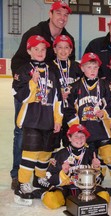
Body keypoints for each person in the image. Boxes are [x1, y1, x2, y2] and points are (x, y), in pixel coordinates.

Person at [10, 1, 74, 190]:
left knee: (48, 135)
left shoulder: (67, 37)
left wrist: (61, 87)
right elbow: (18, 61)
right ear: (51, 13)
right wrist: (27, 82)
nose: (62, 17)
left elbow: (65, 67)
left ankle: (41, 174)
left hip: (50, 93)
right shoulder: (34, 32)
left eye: (66, 14)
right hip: (29, 94)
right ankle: (17, 175)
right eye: (59, 13)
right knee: (23, 133)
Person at [12, 35, 62, 206]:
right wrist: (33, 83)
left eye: (43, 49)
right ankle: (22, 183)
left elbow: (57, 99)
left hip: (48, 119)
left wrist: (58, 119)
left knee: (45, 153)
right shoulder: (22, 71)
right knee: (31, 154)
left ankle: (39, 179)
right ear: (29, 51)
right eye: (36, 49)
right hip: (31, 119)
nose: (40, 52)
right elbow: (23, 97)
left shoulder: (52, 71)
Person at [65, 52, 111, 186]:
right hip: (83, 132)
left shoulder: (106, 85)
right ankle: (94, 180)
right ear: (82, 68)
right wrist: (76, 128)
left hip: (101, 130)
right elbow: (68, 109)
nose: (92, 70)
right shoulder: (74, 87)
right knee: (87, 159)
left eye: (95, 67)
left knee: (109, 155)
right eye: (89, 67)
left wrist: (105, 112)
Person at [41, 124, 111, 209]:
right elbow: (50, 177)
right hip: (66, 189)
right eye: (76, 136)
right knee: (50, 200)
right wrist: (64, 172)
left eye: (82, 136)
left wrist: (95, 168)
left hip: (87, 190)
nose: (79, 139)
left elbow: (99, 180)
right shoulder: (60, 154)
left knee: (104, 197)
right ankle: (44, 193)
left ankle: (81, 201)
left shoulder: (90, 153)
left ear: (86, 138)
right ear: (69, 138)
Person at [50, 35, 83, 149]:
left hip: (72, 112)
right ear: (54, 50)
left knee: (72, 144)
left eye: (66, 47)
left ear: (70, 50)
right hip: (54, 113)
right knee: (52, 145)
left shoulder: (77, 67)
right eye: (60, 47)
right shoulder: (49, 67)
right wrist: (58, 93)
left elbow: (83, 87)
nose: (63, 51)